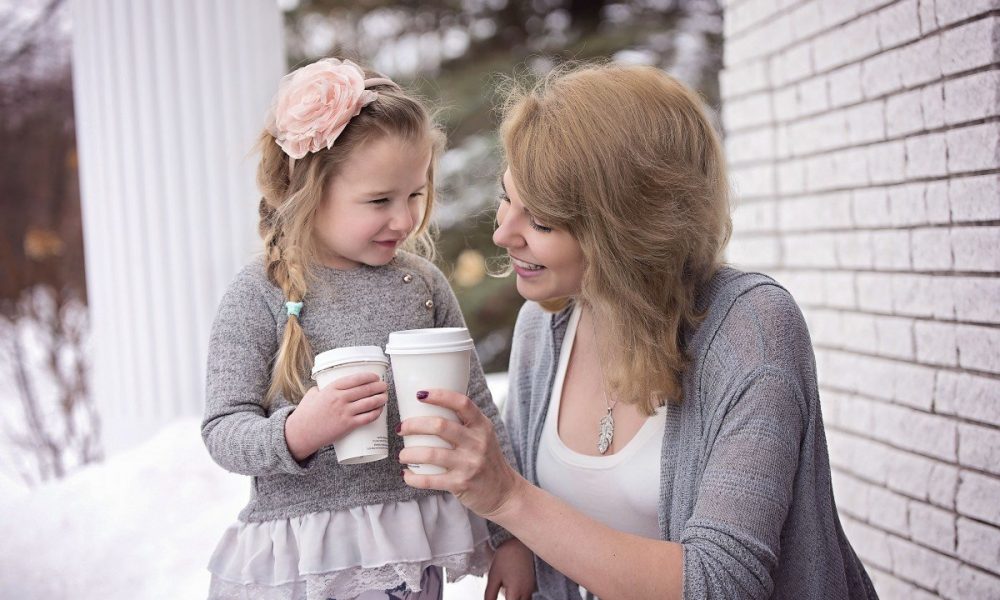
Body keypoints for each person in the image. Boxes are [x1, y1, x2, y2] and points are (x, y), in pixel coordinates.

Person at [398, 63, 879, 599]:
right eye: (507, 198)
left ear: (627, 229)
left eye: (543, 221)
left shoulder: (752, 329)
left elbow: (721, 586)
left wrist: (508, 498)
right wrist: (515, 541)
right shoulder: (545, 323)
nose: (502, 232)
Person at [201, 58, 534, 600]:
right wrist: (297, 432)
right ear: (310, 192)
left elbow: (477, 410)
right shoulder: (261, 292)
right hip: (306, 564)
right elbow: (222, 430)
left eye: (415, 195)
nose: (403, 220)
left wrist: (512, 536)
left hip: (408, 552)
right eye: (379, 201)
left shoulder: (421, 285)